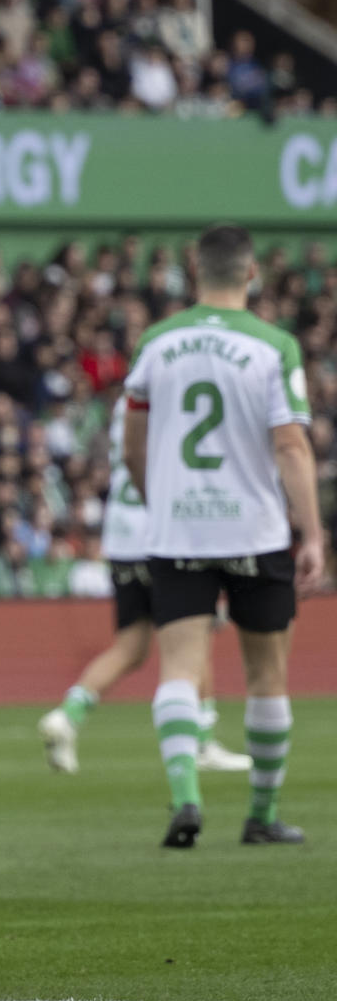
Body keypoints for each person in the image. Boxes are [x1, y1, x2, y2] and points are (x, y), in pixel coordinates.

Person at [122, 224, 323, 848]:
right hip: (254, 530)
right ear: (251, 272)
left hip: (177, 527)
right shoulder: (273, 346)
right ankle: (261, 816)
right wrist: (312, 532)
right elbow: (290, 444)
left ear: (194, 270)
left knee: (180, 666)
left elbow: (133, 436)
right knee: (267, 675)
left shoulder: (157, 342)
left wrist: (158, 497)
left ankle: (186, 797)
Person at [38, 393, 251, 775]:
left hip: (121, 537)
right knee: (194, 633)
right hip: (162, 535)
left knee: (131, 647)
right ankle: (201, 740)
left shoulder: (126, 401)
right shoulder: (175, 395)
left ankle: (68, 714)